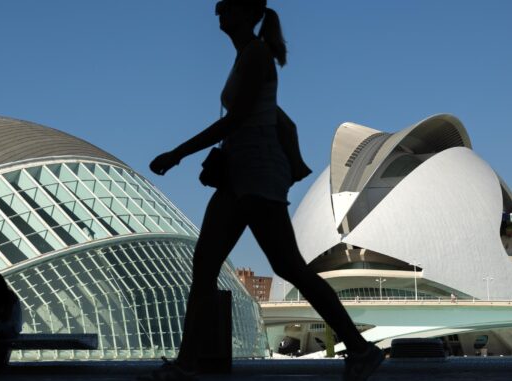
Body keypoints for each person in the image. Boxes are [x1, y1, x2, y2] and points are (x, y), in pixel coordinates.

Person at [147, 2, 383, 380]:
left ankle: (359, 347)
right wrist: (294, 161)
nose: (217, 11)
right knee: (205, 266)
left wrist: (179, 153)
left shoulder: (256, 55)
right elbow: (279, 118)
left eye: (226, 5)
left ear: (246, 12)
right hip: (240, 174)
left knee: (288, 266)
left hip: (256, 174)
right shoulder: (246, 56)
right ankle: (185, 363)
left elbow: (239, 119)